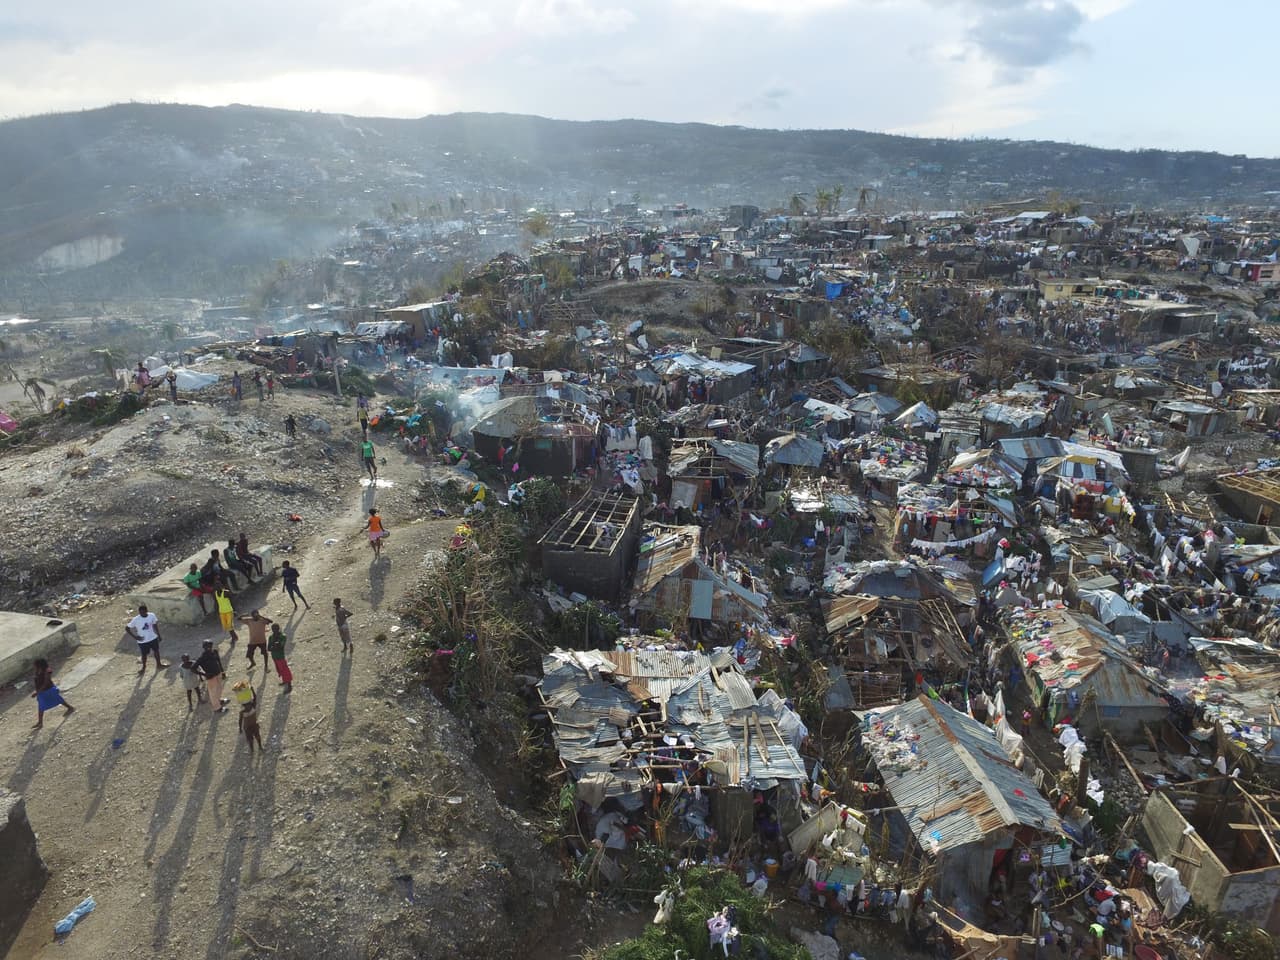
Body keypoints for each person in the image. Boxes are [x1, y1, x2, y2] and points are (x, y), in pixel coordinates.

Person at [31, 658, 74, 728]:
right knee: (41, 706)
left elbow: (46, 682)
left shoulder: (47, 670)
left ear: (39, 665)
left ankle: (70, 707)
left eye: (35, 665)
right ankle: (40, 722)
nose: (34, 666)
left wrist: (37, 692)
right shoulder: (38, 670)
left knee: (58, 699)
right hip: (42, 691)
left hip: (49, 689)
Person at [126, 604, 167, 676]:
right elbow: (127, 628)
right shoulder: (136, 619)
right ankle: (144, 667)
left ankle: (159, 664)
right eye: (140, 612)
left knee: (156, 651)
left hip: (153, 638)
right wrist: (135, 637)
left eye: (143, 612)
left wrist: (158, 635)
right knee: (144, 655)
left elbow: (154, 625)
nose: (142, 614)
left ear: (146, 611)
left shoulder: (152, 615)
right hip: (143, 641)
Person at [196, 640, 230, 713]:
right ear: (203, 647)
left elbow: (218, 662)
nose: (209, 648)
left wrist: (222, 672)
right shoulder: (202, 657)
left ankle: (219, 700)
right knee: (213, 692)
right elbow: (193, 668)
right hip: (211, 677)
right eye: (207, 646)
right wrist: (204, 674)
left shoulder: (214, 652)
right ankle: (217, 708)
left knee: (219, 688)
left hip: (218, 673)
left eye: (210, 646)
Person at [267, 622, 292, 692]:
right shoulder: (271, 637)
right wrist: (275, 646)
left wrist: (274, 646)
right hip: (275, 657)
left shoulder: (282, 636)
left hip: (280, 656)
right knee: (280, 670)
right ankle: (285, 681)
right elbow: (269, 648)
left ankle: (289, 685)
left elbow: (280, 646)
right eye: (273, 629)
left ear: (278, 629)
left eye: (276, 629)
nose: (275, 630)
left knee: (285, 670)